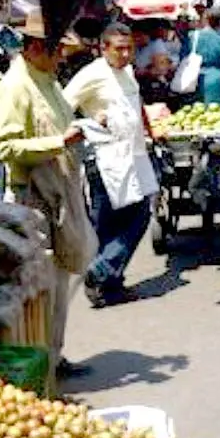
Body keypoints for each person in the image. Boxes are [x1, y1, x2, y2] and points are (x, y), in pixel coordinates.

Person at [0, 12, 96, 375]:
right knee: (39, 286)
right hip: (32, 198)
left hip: (59, 194)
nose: (62, 57)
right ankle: (37, 363)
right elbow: (5, 147)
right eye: (57, 50)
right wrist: (59, 142)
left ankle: (54, 355)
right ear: (36, 48)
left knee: (61, 282)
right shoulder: (14, 87)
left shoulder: (48, 80)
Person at [64, 23, 161, 308]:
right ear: (103, 48)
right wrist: (88, 124)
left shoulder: (128, 71)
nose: (125, 53)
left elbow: (136, 104)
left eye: (129, 48)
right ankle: (104, 277)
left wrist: (150, 128)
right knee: (106, 224)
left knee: (140, 213)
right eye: (118, 48)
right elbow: (62, 106)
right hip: (105, 160)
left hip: (133, 155)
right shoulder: (92, 74)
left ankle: (107, 277)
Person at [186, 9, 220, 106]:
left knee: (194, 115)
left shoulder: (192, 37)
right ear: (219, 22)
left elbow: (184, 56)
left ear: (205, 20)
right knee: (215, 115)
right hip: (216, 80)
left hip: (193, 79)